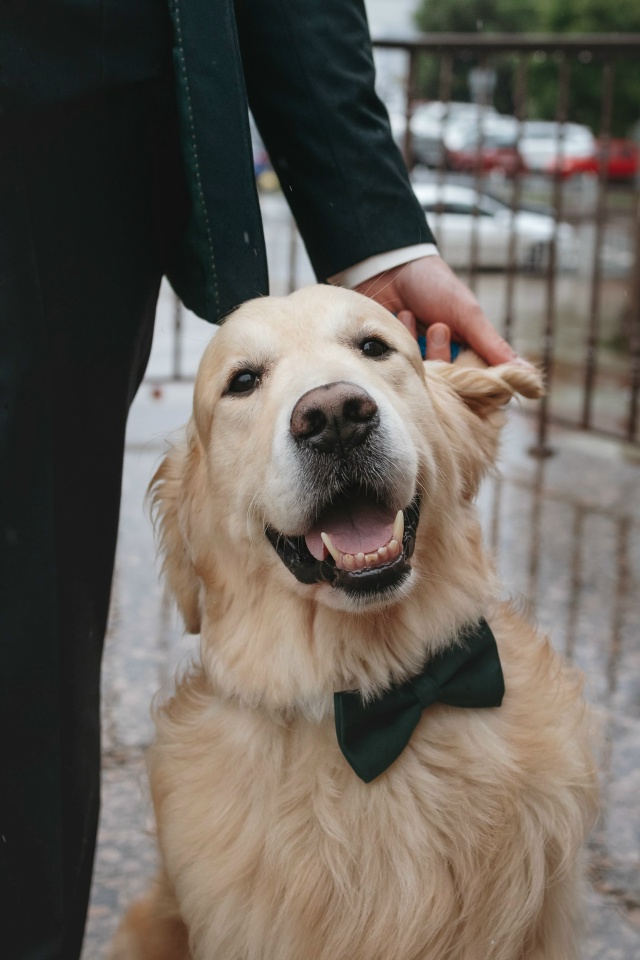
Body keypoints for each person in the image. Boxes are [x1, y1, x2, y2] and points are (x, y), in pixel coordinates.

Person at [0, 1, 520, 958]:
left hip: (56, 133)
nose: (329, 403)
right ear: (188, 522)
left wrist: (378, 234)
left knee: (18, 630)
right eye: (247, 383)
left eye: (368, 356)